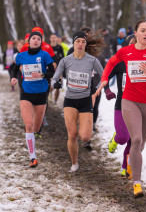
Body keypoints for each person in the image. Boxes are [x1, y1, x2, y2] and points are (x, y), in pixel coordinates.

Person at [96, 19, 146, 198]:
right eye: (143, 30)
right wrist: (104, 79)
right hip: (129, 101)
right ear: (136, 33)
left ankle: (133, 161)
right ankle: (136, 183)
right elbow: (109, 64)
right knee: (136, 139)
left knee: (141, 144)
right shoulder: (125, 52)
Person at [51, 31, 103, 172]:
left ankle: (84, 126)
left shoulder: (92, 60)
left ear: (86, 44)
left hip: (85, 100)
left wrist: (96, 89)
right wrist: (56, 83)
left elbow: (104, 77)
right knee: (72, 134)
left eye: (83, 42)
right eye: (77, 41)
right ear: (73, 43)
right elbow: (55, 78)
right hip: (70, 101)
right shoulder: (66, 61)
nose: (80, 44)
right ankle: (74, 163)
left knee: (85, 136)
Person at [10, 31, 55, 168]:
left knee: (35, 128)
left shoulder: (45, 55)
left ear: (41, 42)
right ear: (28, 41)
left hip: (41, 93)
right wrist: (13, 77)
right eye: (33, 38)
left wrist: (41, 74)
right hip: (26, 93)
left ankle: (33, 135)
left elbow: (52, 72)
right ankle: (33, 157)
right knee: (28, 126)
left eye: (38, 39)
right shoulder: (21, 56)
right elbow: (14, 68)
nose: (36, 40)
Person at [106, 35, 136, 178]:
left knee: (134, 140)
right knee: (124, 137)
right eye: (131, 43)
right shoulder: (120, 62)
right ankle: (116, 138)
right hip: (121, 105)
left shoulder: (145, 63)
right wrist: (107, 90)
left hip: (138, 106)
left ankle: (126, 167)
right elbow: (105, 77)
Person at [49, 33, 65, 104]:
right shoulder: (48, 47)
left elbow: (63, 58)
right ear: (50, 39)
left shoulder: (60, 47)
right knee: (51, 86)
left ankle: (55, 101)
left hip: (58, 69)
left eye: (54, 37)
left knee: (58, 86)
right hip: (49, 69)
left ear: (56, 39)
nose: (53, 39)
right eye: (52, 37)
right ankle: (50, 93)